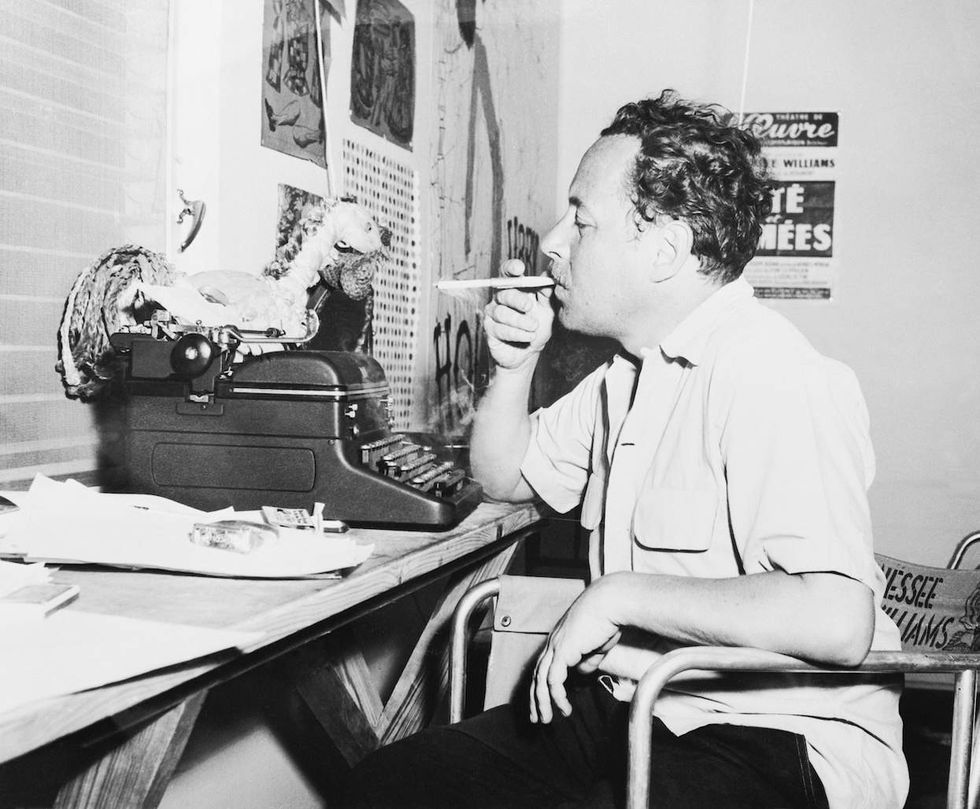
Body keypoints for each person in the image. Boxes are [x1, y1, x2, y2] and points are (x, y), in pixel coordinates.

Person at [340, 90, 907, 809]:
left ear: (665, 251)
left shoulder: (771, 373)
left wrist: (619, 595)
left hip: (777, 738)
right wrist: (514, 367)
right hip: (637, 706)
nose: (552, 241)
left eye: (581, 219)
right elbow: (505, 474)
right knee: (390, 786)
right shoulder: (630, 374)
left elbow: (837, 620)